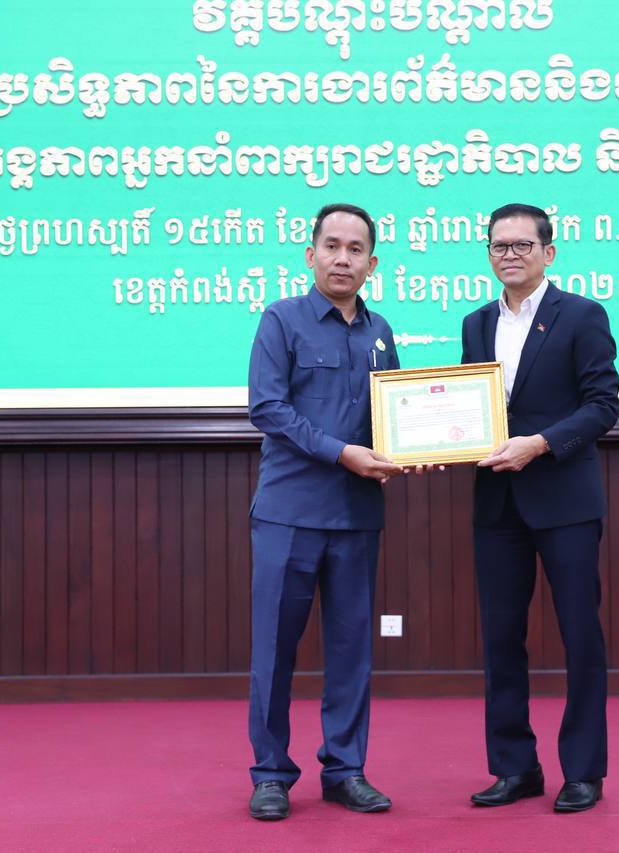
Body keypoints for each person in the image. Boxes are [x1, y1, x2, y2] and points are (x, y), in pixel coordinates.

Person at [460, 203, 619, 813]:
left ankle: (583, 771)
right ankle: (514, 767)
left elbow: (603, 405)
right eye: (499, 245)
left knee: (580, 636)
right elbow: (472, 409)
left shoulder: (582, 315)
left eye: (522, 245)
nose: (510, 255)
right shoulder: (476, 323)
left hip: (564, 500)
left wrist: (542, 443)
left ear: (548, 253)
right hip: (497, 502)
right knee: (501, 639)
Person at [246, 203, 403, 821]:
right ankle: (270, 774)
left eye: (355, 249)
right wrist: (342, 453)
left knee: (351, 652)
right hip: (290, 513)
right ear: (310, 254)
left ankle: (345, 770)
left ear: (372, 263)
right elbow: (268, 408)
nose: (343, 259)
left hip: (357, 515)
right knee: (274, 651)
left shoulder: (380, 331)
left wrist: (416, 449)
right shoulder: (281, 319)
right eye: (332, 246)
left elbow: (393, 417)